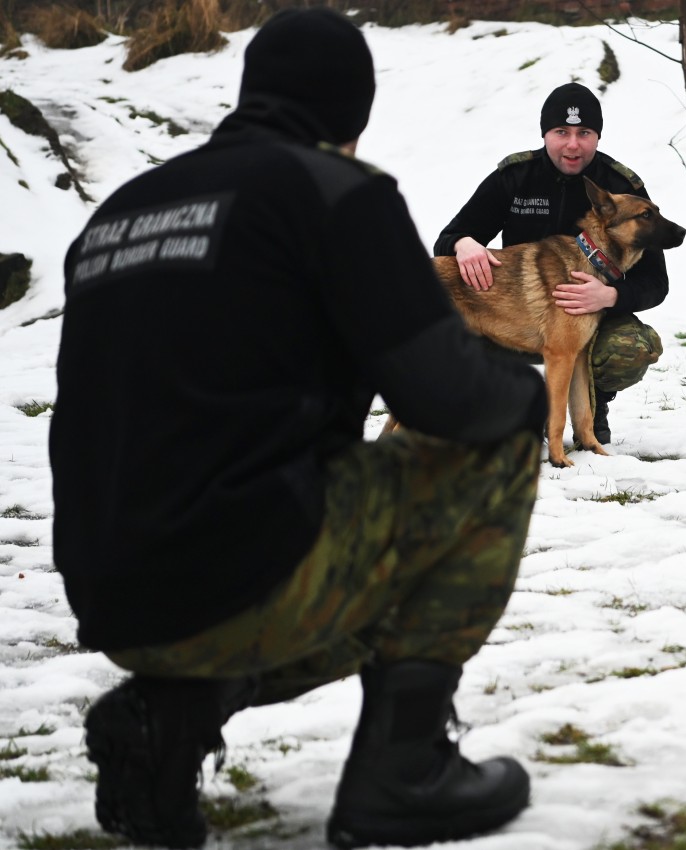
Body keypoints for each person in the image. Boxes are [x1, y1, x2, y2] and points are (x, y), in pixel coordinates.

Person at [49, 9, 546, 849]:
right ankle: (405, 769)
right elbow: (450, 398)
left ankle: (171, 717)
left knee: (297, 516)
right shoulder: (334, 192)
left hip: (112, 598)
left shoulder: (122, 212)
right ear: (353, 110)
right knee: (496, 438)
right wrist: (527, 396)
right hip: (245, 579)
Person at [434, 82, 669, 446]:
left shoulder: (622, 190)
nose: (572, 144)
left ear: (598, 136)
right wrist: (463, 243)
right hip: (515, 316)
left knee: (632, 346)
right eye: (561, 132)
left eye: (584, 133)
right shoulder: (515, 176)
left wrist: (610, 296)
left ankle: (593, 405)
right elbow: (450, 239)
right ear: (545, 134)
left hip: (594, 321)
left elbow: (656, 282)